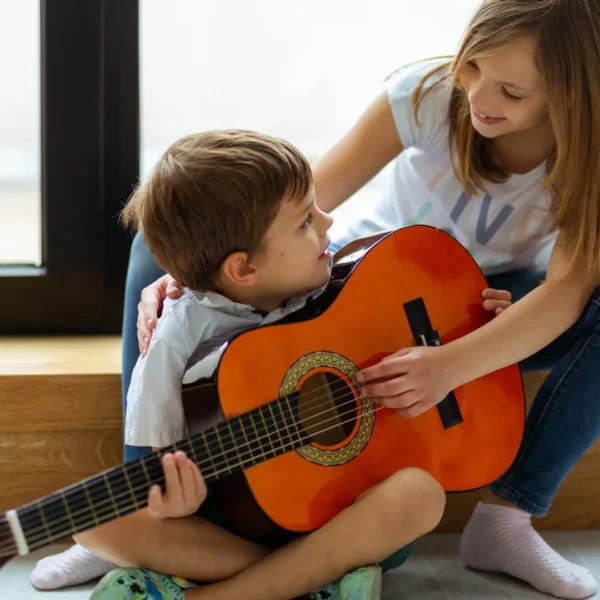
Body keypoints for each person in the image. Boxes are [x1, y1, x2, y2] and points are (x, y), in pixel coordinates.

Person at [33, 0, 600, 597]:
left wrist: (452, 364)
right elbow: (309, 196)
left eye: (511, 92)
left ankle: (508, 518)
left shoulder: (588, 155)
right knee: (159, 241)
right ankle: (148, 485)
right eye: (473, 66)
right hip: (362, 287)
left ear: (572, 95)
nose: (480, 96)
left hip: (487, 314)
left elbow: (564, 296)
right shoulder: (427, 96)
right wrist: (202, 265)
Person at [72, 130, 455, 600]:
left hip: (345, 513)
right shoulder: (173, 341)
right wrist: (177, 503)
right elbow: (159, 467)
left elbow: (417, 298)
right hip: (239, 525)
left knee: (420, 495)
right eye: (304, 222)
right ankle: (314, 583)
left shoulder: (328, 275)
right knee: (93, 523)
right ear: (243, 270)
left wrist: (471, 316)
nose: (328, 221)